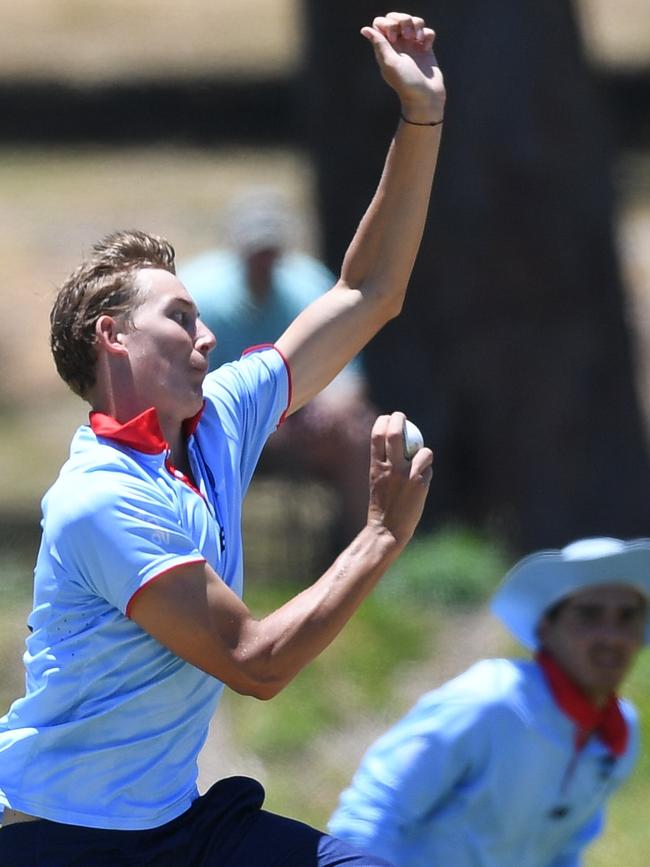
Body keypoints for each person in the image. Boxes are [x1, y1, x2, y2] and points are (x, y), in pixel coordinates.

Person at [0, 11, 445, 867]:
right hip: (65, 842)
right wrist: (381, 536)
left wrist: (420, 119)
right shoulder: (101, 497)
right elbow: (256, 661)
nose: (208, 339)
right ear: (111, 335)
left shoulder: (220, 420)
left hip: (181, 826)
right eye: (183, 318)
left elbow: (369, 291)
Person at [328, 536, 650, 866]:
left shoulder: (621, 731)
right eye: (589, 615)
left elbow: (564, 850)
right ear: (546, 627)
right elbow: (370, 813)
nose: (612, 636)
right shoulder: (489, 701)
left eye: (628, 616)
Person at [178, 189, 376, 548]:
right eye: (256, 252)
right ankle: (199, 549)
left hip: (297, 417)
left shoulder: (310, 287)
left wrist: (329, 407)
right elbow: (180, 384)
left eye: (270, 251)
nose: (263, 261)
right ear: (237, 250)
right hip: (216, 420)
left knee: (359, 433)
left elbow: (349, 375)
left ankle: (356, 548)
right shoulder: (202, 296)